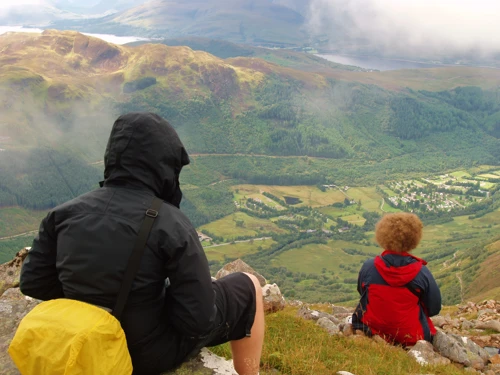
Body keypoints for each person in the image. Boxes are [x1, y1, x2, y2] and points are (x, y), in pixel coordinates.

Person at [19, 112, 264, 375]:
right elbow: (199, 320)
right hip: (142, 355)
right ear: (164, 163)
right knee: (248, 286)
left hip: (79, 342)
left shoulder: (64, 214)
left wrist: (88, 299)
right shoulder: (170, 223)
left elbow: (33, 282)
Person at [352, 212, 441, 346]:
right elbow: (434, 308)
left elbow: (362, 292)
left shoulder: (369, 267)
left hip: (372, 328)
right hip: (411, 336)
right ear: (413, 238)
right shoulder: (421, 272)